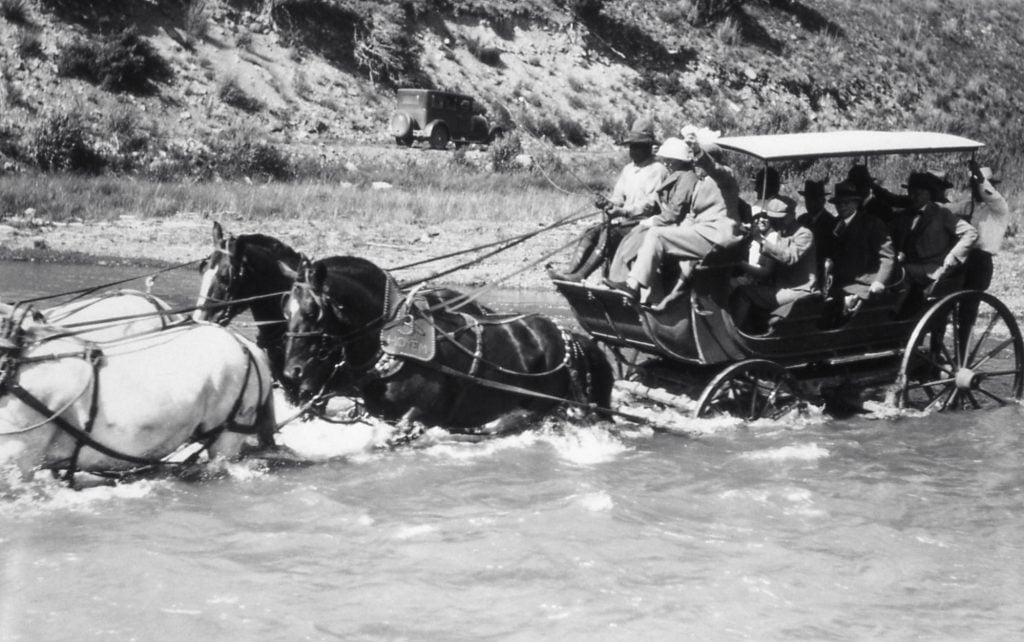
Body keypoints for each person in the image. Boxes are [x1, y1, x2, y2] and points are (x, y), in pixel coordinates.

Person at [605, 126, 743, 301]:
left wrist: (699, 151)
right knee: (653, 237)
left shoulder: (726, 177)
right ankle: (656, 299)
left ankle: (632, 286)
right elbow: (691, 215)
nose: (695, 163)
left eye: (698, 159)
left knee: (657, 235)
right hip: (702, 232)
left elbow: (714, 168)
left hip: (719, 236)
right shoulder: (700, 182)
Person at [547, 118, 668, 281]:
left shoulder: (658, 170)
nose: (632, 150)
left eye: (637, 146)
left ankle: (581, 275)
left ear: (648, 147)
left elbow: (650, 205)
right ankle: (570, 272)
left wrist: (624, 211)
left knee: (608, 234)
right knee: (590, 233)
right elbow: (618, 198)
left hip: (643, 224)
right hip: (625, 222)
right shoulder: (628, 170)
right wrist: (607, 203)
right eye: (631, 146)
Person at [606, 137, 699, 281]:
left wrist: (653, 220)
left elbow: (675, 212)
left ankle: (627, 281)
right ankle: (617, 278)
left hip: (676, 226)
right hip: (663, 221)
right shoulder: (676, 176)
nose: (667, 162)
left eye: (670, 159)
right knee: (629, 237)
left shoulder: (687, 178)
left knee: (636, 237)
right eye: (666, 159)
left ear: (680, 160)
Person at [732, 197, 817, 332]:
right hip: (781, 286)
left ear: (792, 216)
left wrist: (761, 241)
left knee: (744, 293)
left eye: (781, 218)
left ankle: (735, 333)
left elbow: (789, 257)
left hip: (798, 290)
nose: (777, 221)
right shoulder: (781, 232)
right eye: (773, 218)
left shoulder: (804, 234)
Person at [894, 171, 978, 288]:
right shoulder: (905, 215)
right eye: (910, 193)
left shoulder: (941, 213)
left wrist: (953, 256)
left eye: (917, 194)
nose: (913, 197)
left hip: (934, 268)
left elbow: (971, 232)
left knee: (899, 273)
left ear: (928, 194)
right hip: (910, 264)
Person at [826, 179, 895, 311]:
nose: (842, 207)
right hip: (840, 286)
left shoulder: (872, 224)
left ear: (856, 203)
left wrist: (879, 282)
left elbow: (888, 257)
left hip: (865, 286)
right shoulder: (834, 225)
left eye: (847, 203)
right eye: (839, 203)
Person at [945, 159, 1009, 294]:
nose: (976, 190)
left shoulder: (998, 207)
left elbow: (988, 192)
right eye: (973, 187)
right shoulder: (969, 205)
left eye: (977, 186)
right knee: (952, 294)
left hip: (981, 260)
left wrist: (979, 177)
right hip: (965, 255)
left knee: (970, 299)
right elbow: (948, 208)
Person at [795, 178, 835, 266]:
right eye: (808, 200)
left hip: (820, 267)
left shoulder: (831, 222)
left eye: (814, 200)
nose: (810, 203)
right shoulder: (802, 219)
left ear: (823, 201)